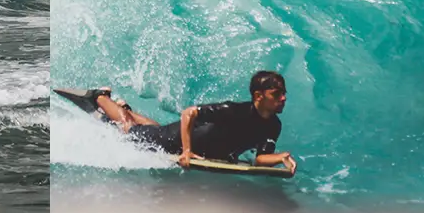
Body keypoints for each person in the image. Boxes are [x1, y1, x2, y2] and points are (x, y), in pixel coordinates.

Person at [91, 70, 296, 174]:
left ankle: (124, 108)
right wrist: (187, 151)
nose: (283, 98)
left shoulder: (273, 126)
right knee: (130, 131)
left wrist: (281, 157)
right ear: (259, 96)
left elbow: (261, 159)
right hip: (173, 142)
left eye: (284, 93)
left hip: (185, 139)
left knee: (154, 129)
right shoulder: (233, 111)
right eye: (277, 94)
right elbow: (189, 113)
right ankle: (100, 97)